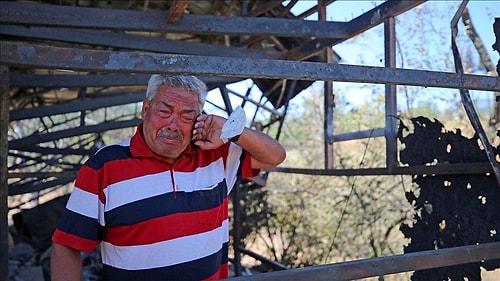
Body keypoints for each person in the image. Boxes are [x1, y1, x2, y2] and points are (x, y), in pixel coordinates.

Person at [50, 74, 286, 281]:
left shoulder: (216, 155)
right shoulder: (105, 165)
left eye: (187, 116)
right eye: (164, 111)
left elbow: (275, 156)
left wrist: (231, 130)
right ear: (145, 109)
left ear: (199, 119)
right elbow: (66, 245)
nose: (173, 125)